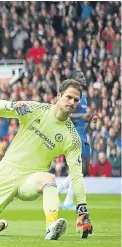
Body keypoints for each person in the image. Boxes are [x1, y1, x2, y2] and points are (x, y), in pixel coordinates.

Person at [0, 79, 93, 240]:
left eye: (76, 100)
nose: (72, 102)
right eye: (69, 97)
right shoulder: (36, 109)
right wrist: (12, 106)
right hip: (5, 172)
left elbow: (76, 175)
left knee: (49, 179)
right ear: (58, 95)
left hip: (31, 179)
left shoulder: (72, 138)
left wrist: (82, 208)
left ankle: (51, 227)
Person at [57, 71, 92, 210]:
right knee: (78, 168)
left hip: (83, 134)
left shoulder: (83, 97)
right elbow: (65, 113)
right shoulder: (71, 97)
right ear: (74, 80)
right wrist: (82, 117)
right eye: (81, 77)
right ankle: (68, 201)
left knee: (84, 169)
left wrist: (89, 117)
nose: (84, 79)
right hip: (75, 135)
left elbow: (83, 115)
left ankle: (58, 189)